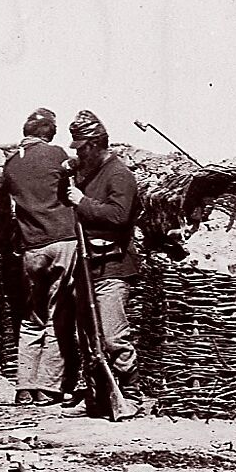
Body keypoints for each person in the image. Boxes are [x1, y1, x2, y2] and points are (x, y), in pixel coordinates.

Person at [0, 107, 79, 407]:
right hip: (62, 240)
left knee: (32, 318)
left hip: (31, 248)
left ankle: (24, 387)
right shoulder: (56, 155)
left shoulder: (12, 162)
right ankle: (48, 387)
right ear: (50, 133)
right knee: (58, 316)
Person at [64, 109, 142, 414]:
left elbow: (119, 216)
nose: (79, 154)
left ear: (96, 145)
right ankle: (98, 396)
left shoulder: (119, 174)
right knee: (89, 337)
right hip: (87, 267)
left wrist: (82, 202)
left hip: (112, 266)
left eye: (82, 148)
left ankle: (130, 394)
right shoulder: (88, 173)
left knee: (112, 336)